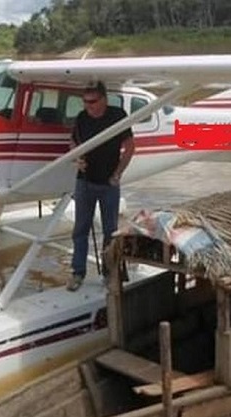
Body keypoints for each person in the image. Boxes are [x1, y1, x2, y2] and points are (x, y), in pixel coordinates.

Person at [67, 81, 135, 291]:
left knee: (110, 231)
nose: (88, 106)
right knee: (80, 229)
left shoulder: (117, 115)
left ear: (104, 99)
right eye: (85, 102)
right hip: (84, 180)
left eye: (92, 101)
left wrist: (117, 174)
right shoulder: (82, 118)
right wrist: (77, 157)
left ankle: (109, 273)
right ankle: (78, 273)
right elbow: (73, 142)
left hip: (108, 182)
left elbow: (130, 146)